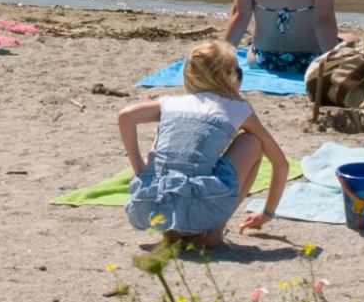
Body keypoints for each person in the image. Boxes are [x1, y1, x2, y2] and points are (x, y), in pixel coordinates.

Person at [114, 41, 290, 260]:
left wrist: (139, 168)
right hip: (204, 211)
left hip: (148, 207)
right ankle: (214, 230)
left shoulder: (170, 103)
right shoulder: (236, 108)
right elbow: (281, 163)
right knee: (253, 141)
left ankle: (173, 231)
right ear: (230, 77)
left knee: (163, 138)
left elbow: (126, 115)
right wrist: (267, 213)